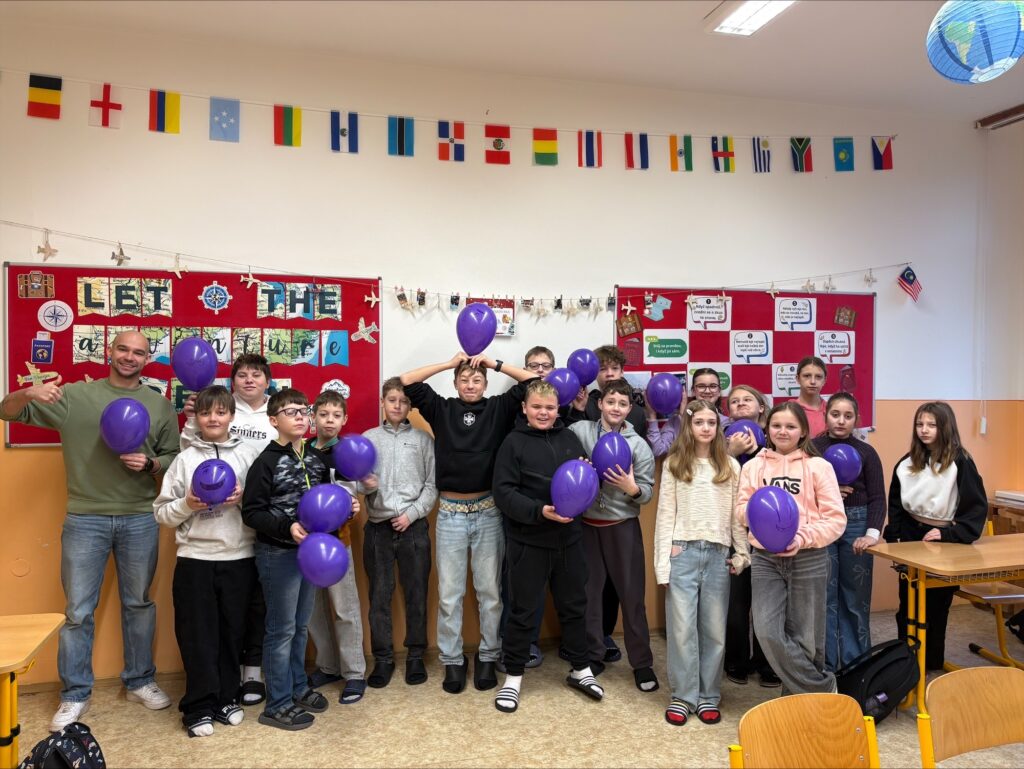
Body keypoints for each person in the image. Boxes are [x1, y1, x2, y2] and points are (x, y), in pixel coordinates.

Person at [1, 331, 180, 730]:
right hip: (85, 518)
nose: (129, 357)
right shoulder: (74, 397)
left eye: (138, 352)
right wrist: (27, 393)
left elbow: (173, 458)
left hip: (140, 517)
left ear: (147, 359)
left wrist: (151, 464)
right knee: (78, 611)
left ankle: (140, 680)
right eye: (123, 349)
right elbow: (6, 412)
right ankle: (74, 694)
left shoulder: (160, 405)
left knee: (139, 604)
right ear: (109, 351)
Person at [400, 352, 535, 694]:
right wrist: (449, 363)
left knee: (490, 593)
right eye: (464, 380)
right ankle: (453, 660)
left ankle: (488, 655)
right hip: (450, 514)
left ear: (485, 384)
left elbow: (534, 382)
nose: (470, 385)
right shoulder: (441, 409)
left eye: (476, 380)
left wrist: (494, 364)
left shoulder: (498, 408)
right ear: (455, 383)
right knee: (450, 595)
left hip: (489, 511)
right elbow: (407, 382)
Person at [153, 385, 261, 737]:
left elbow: (262, 508)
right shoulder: (184, 460)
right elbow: (161, 513)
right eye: (205, 413)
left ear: (232, 416)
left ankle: (227, 698)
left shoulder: (248, 456)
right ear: (196, 417)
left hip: (239, 557)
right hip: (195, 560)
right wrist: (187, 504)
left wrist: (243, 498)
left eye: (220, 412)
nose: (213, 418)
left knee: (232, 633)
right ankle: (198, 706)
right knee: (197, 635)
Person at [491, 379, 604, 712]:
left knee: (575, 605)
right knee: (523, 611)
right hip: (528, 542)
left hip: (569, 540)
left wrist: (587, 475)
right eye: (537, 407)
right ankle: (513, 677)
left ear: (558, 410)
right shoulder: (512, 442)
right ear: (525, 408)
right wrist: (539, 511)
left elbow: (583, 479)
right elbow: (503, 493)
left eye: (550, 408)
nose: (543, 413)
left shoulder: (569, 438)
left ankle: (581, 669)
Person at [181, 352, 276, 706]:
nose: (249, 380)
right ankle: (226, 677)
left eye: (256, 375)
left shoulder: (276, 412)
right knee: (225, 611)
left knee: (256, 604)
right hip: (215, 527)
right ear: (231, 381)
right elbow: (190, 455)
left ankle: (253, 673)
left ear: (267, 381)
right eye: (242, 375)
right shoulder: (217, 409)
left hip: (261, 519)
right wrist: (190, 419)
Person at [736, 402, 846, 695]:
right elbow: (740, 510)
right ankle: (823, 688)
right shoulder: (753, 466)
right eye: (776, 426)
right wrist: (763, 519)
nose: (782, 431)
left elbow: (836, 520)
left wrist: (800, 537)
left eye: (790, 426)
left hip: (809, 557)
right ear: (767, 429)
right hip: (765, 558)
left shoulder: (819, 467)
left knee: (807, 638)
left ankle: (801, 705)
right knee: (766, 631)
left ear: (803, 431)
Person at [241, 388, 331, 731]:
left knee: (300, 626)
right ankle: (277, 704)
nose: (299, 416)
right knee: (281, 630)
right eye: (291, 411)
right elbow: (252, 513)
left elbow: (326, 502)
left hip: (311, 555)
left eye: (303, 410)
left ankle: (297, 687)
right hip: (277, 554)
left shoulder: (316, 458)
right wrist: (286, 526)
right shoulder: (265, 462)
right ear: (273, 420)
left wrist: (348, 509)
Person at [655, 400, 747, 726]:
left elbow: (737, 516)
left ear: (718, 427)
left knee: (714, 630)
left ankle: (709, 695)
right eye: (699, 422)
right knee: (681, 630)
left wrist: (742, 553)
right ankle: (683, 696)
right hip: (683, 552)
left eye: (711, 422)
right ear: (689, 426)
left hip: (718, 554)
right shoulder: (675, 463)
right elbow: (665, 515)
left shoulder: (730, 466)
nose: (706, 428)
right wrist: (662, 564)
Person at [883, 402, 986, 670]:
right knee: (908, 603)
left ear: (945, 427)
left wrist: (948, 533)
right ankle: (906, 663)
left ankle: (931, 662)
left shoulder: (960, 462)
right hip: (912, 536)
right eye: (920, 424)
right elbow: (896, 504)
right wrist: (895, 539)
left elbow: (976, 508)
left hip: (944, 538)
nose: (924, 430)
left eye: (932, 425)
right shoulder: (906, 462)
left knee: (937, 606)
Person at [569, 379, 658, 691]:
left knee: (632, 597)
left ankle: (642, 663)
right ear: (600, 404)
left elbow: (647, 492)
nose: (616, 408)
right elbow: (562, 460)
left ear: (629, 408)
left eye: (622, 404)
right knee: (589, 596)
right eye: (610, 402)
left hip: (622, 527)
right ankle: (593, 654)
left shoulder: (638, 445)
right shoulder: (580, 431)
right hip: (587, 525)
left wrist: (631, 488)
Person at [358, 378, 437, 688]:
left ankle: (415, 655)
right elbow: (356, 482)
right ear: (382, 402)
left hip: (413, 527)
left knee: (416, 593)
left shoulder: (423, 440)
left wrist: (412, 514)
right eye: (392, 400)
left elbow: (432, 485)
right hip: (377, 528)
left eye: (403, 401)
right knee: (379, 596)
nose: (397, 405)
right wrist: (364, 485)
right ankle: (383, 659)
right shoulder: (368, 439)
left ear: (410, 406)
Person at [811, 392, 886, 671]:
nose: (841, 421)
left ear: (857, 419)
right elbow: (803, 490)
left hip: (857, 524)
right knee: (825, 597)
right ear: (825, 415)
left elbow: (878, 497)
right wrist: (829, 492)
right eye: (835, 414)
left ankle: (857, 666)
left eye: (848, 416)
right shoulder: (812, 449)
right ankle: (828, 666)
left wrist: (871, 534)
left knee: (855, 598)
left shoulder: (867, 452)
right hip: (822, 523)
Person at [304, 390, 367, 704]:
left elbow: (351, 495)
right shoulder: (301, 450)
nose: (329, 421)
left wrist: (351, 506)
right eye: (324, 414)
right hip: (305, 542)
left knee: (345, 608)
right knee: (312, 610)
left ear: (344, 420)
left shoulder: (345, 453)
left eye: (336, 416)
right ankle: (328, 666)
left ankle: (354, 673)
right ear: (313, 416)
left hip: (336, 542)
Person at [497, 346, 557, 670]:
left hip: (554, 518)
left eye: (546, 366)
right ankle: (511, 644)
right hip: (519, 514)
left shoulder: (560, 414)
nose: (540, 371)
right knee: (515, 585)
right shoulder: (512, 412)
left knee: (544, 585)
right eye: (533, 366)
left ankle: (531, 641)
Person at [721, 384, 779, 687]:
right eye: (734, 401)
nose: (740, 404)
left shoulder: (775, 440)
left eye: (747, 400)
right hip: (733, 530)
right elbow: (712, 480)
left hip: (769, 530)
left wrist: (756, 452)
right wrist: (730, 453)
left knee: (768, 602)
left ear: (761, 408)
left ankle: (768, 663)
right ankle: (736, 660)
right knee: (736, 601)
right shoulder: (718, 440)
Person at [794, 356, 828, 438]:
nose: (813, 381)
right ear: (798, 379)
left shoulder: (832, 411)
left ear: (824, 380)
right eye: (807, 376)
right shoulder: (788, 410)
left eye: (818, 377)